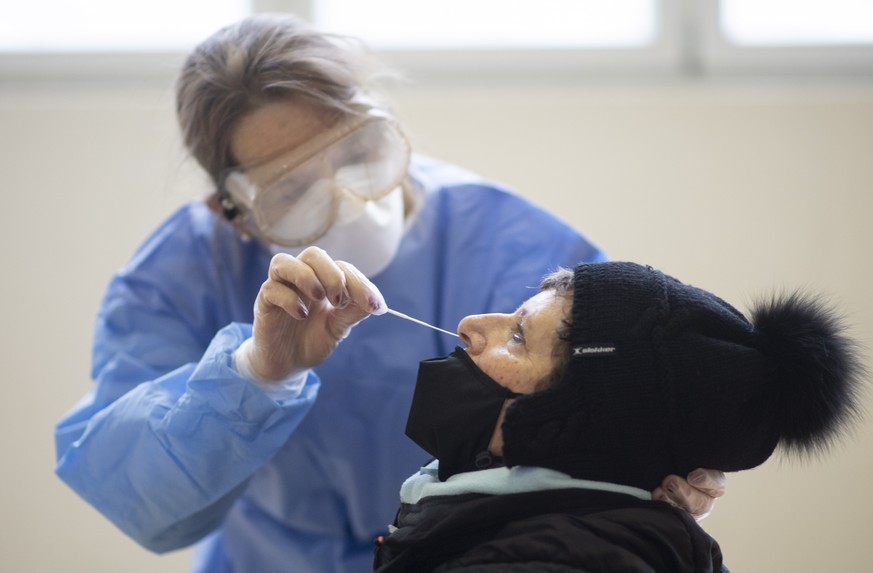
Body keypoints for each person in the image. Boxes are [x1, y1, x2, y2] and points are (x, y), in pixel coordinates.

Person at [53, 14, 722, 572]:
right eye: (290, 192)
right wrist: (254, 374)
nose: (344, 201)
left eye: (357, 153)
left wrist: (675, 460)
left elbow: (624, 380)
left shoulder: (511, 244)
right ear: (232, 210)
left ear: (387, 124)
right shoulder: (185, 273)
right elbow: (139, 496)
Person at [374, 261, 865, 572]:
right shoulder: (535, 533)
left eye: (520, 336)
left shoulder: (540, 560)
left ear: (584, 426)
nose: (470, 326)